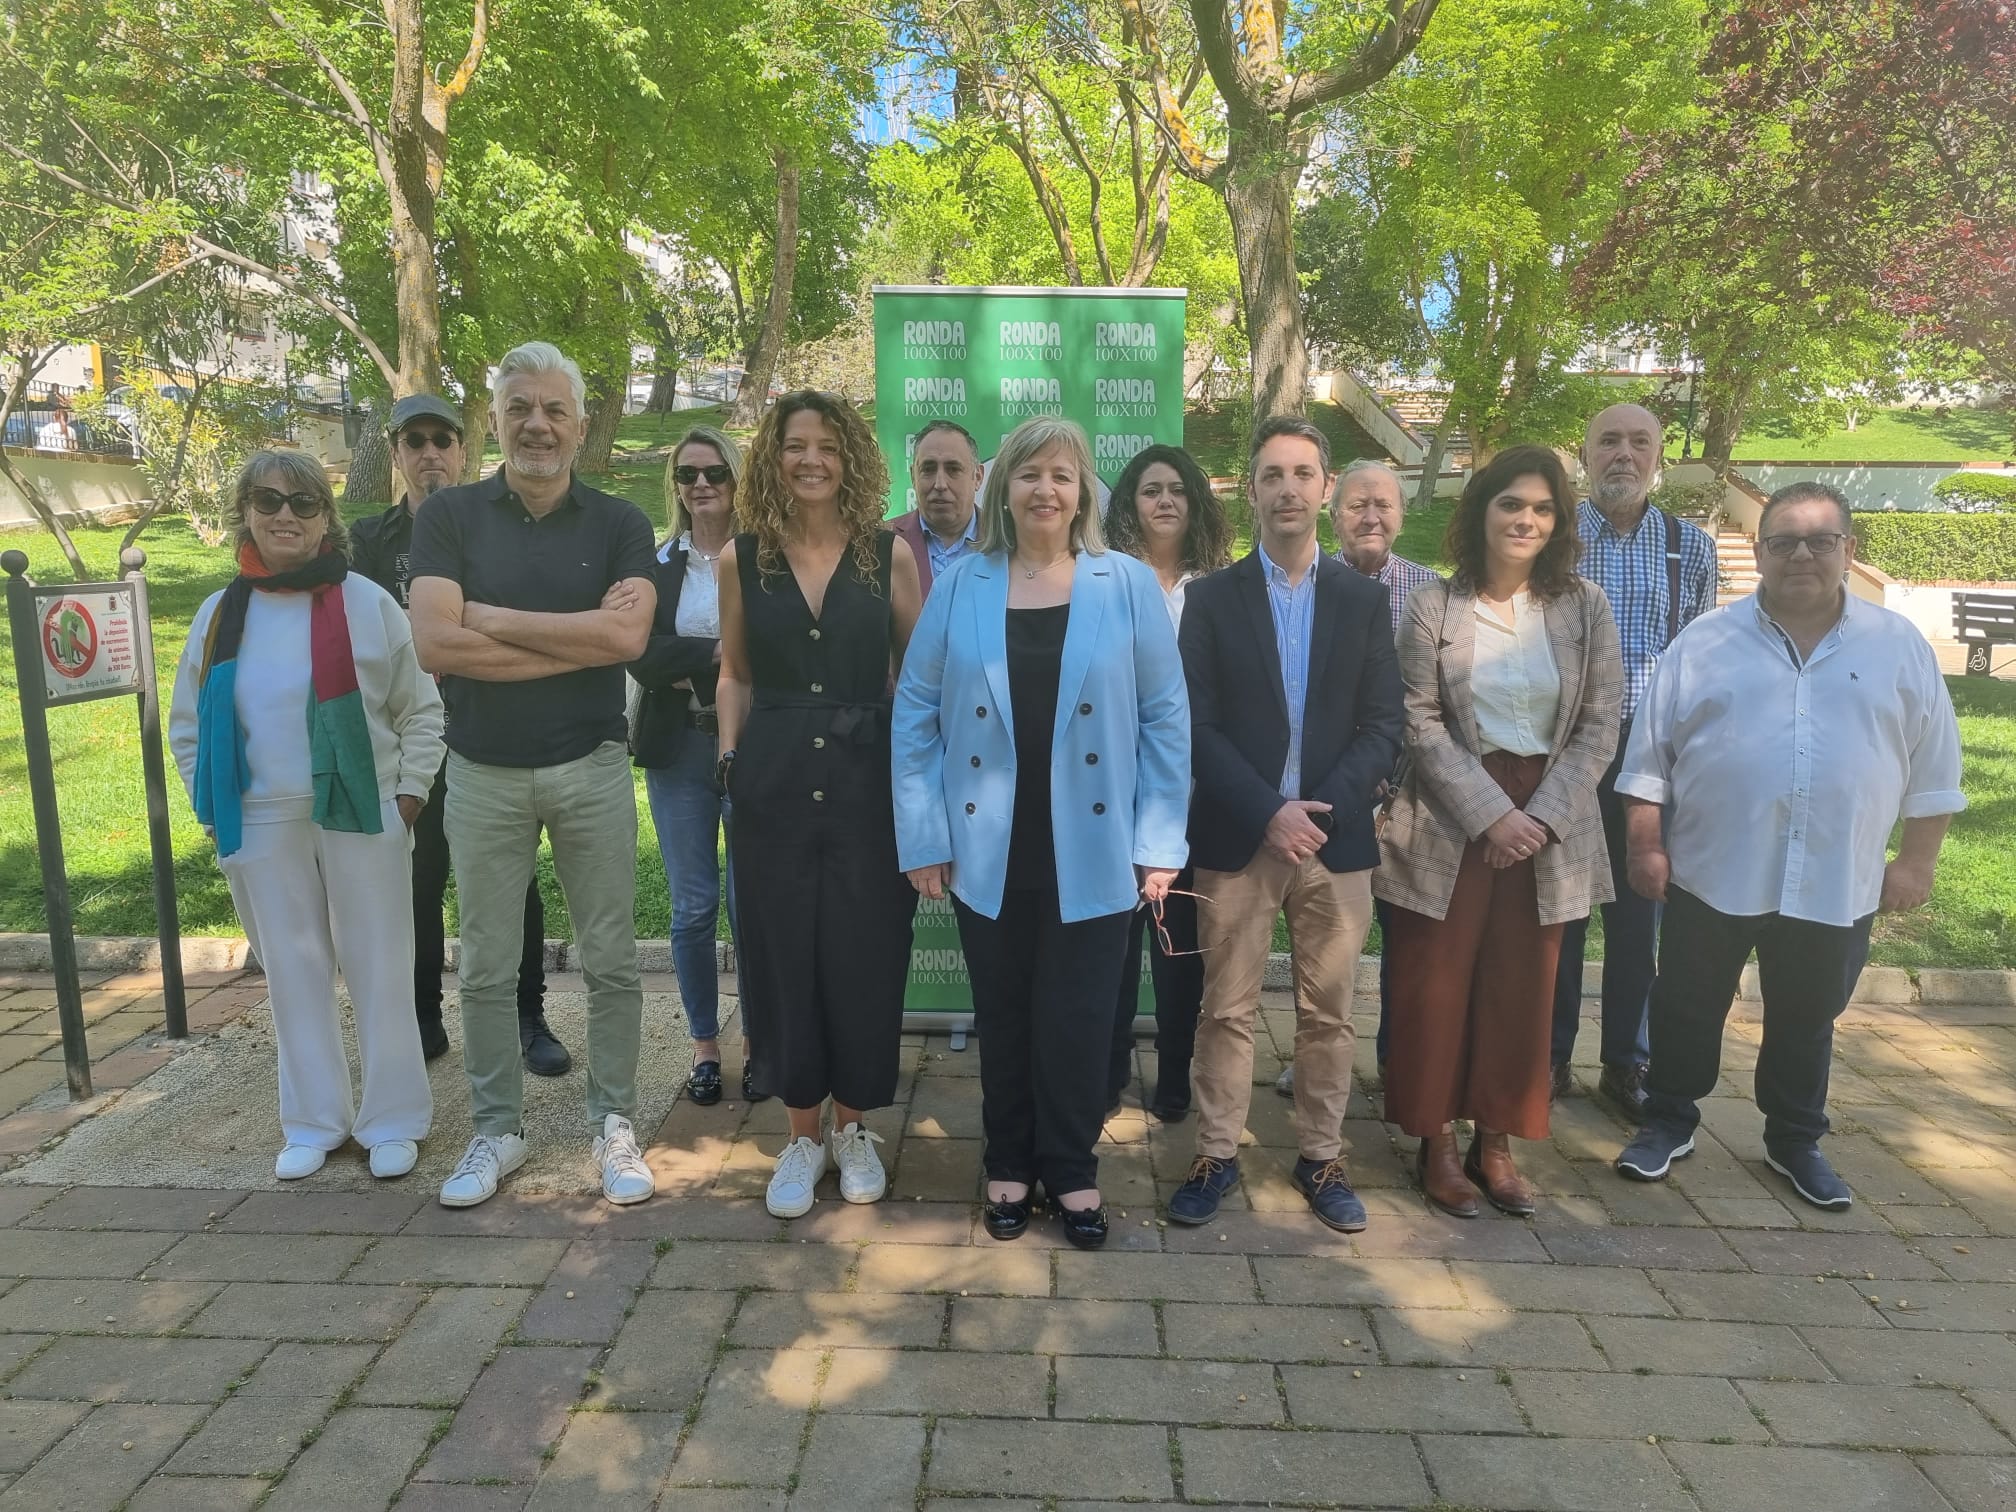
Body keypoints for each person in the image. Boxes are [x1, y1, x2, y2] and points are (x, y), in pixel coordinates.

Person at [1614, 482, 1964, 1210]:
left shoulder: (1897, 647)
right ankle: (1669, 1119)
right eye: (1783, 541)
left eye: (1820, 540)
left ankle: (1795, 1138)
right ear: (1759, 550)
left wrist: (1917, 862)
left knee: (1808, 1015)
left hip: (1838, 874)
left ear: (1849, 550)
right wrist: (1646, 846)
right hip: (1713, 870)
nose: (1801, 555)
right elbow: (1648, 759)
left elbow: (1935, 769)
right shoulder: (1705, 642)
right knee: (1685, 1002)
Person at [894, 418, 1190, 1248]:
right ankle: (1008, 1158)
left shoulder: (1125, 583)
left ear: (1083, 490)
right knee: (1005, 1010)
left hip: (1094, 842)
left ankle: (1072, 1168)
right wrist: (923, 836)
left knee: (1081, 1014)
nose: (1045, 491)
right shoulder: (961, 584)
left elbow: (1168, 717)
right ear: (1003, 488)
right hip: (989, 841)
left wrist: (1161, 842)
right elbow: (915, 712)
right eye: (1029, 474)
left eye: (1062, 475)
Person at [409, 341, 659, 1210]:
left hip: (591, 766)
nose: (538, 425)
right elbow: (437, 646)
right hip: (480, 773)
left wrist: (495, 620)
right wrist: (576, 635)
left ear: (580, 425)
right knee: (482, 965)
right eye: (520, 408)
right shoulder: (449, 519)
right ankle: (496, 1129)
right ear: (498, 419)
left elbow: (627, 642)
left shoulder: (621, 523)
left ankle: (614, 1122)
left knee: (613, 959)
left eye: (554, 409)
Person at [169, 451, 440, 1181]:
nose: (285, 514)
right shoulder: (222, 612)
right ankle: (314, 1122)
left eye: (304, 502)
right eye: (267, 499)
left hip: (363, 810)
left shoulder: (366, 601)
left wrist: (407, 797)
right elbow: (189, 725)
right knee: (293, 969)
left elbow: (421, 710)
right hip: (259, 819)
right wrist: (212, 810)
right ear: (246, 511)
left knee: (381, 965)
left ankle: (392, 1119)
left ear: (327, 517)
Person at [1166, 417, 1404, 1233]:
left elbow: (1384, 726)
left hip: (1334, 845)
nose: (1289, 489)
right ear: (1253, 488)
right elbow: (1193, 727)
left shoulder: (1365, 602)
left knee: (1327, 1012)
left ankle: (1320, 1155)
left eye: (1304, 473)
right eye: (1272, 474)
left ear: (1325, 488)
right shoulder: (1209, 599)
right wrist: (1269, 811)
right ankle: (1217, 1154)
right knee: (1225, 1008)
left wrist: (1314, 815)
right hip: (1239, 836)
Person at [1375, 446, 1622, 1217]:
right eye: (1512, 504)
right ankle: (1437, 1142)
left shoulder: (1584, 607)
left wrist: (1539, 817)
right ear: (1479, 511)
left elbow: (1598, 723)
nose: (1526, 519)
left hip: (1552, 817)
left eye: (1543, 508)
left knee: (1524, 986)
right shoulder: (1433, 607)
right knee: (1434, 984)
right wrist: (1491, 812)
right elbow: (1418, 721)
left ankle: (1497, 1142)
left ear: (1558, 522)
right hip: (1453, 818)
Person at [715, 390, 923, 1220]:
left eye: (828, 446)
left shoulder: (889, 555)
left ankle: (854, 1128)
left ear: (851, 459)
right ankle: (801, 1137)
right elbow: (733, 671)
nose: (811, 460)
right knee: (783, 958)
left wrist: (919, 776)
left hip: (868, 785)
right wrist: (730, 759)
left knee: (864, 956)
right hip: (769, 785)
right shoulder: (742, 557)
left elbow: (923, 674)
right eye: (796, 445)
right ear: (773, 455)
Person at [349, 393, 567, 1073]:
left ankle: (527, 1017)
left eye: (442, 439)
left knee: (511, 882)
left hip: (486, 729)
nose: (430, 453)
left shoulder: (490, 528)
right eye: (414, 441)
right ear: (397, 454)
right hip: (406, 742)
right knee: (415, 883)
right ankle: (422, 1019)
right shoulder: (367, 543)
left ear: (464, 449)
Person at [1550, 403, 1717, 1116]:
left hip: (1649, 759)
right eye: (1608, 440)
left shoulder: (1692, 548)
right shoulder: (1553, 541)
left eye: (1639, 442)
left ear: (1658, 458)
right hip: (1563, 754)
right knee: (1557, 914)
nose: (1623, 454)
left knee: (1637, 918)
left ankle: (1627, 1060)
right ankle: (1548, 1058)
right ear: (1584, 454)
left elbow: (1704, 663)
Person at [1277, 459, 1442, 1100]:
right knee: (1318, 941)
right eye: (1356, 506)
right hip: (1324, 799)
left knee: (1407, 940)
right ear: (1332, 511)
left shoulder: (1433, 593)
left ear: (1402, 514)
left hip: (1411, 799)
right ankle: (1309, 1059)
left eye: (1384, 505)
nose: (1371, 517)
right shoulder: (1303, 586)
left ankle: (1398, 1064)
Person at [1098, 442, 1229, 1122]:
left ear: (1197, 501)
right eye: (1151, 490)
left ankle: (1175, 1073)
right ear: (1130, 504)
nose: (1166, 501)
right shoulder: (1105, 579)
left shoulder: (1221, 585)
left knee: (1181, 945)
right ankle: (1111, 1066)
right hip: (1116, 785)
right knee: (1114, 939)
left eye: (1178, 489)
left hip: (1196, 792)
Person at [628, 425, 756, 1107]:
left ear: (736, 479)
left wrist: (695, 652)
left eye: (714, 473)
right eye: (687, 475)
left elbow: (771, 647)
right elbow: (642, 657)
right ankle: (705, 1046)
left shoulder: (765, 557)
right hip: (677, 747)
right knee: (693, 906)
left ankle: (759, 1041)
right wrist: (716, 653)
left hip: (752, 742)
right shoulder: (656, 563)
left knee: (751, 903)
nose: (701, 485)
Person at [890, 419, 984, 594]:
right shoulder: (881, 542)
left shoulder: (1008, 540)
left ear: (977, 477)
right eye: (928, 469)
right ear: (913, 476)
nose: (940, 484)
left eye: (953, 469)